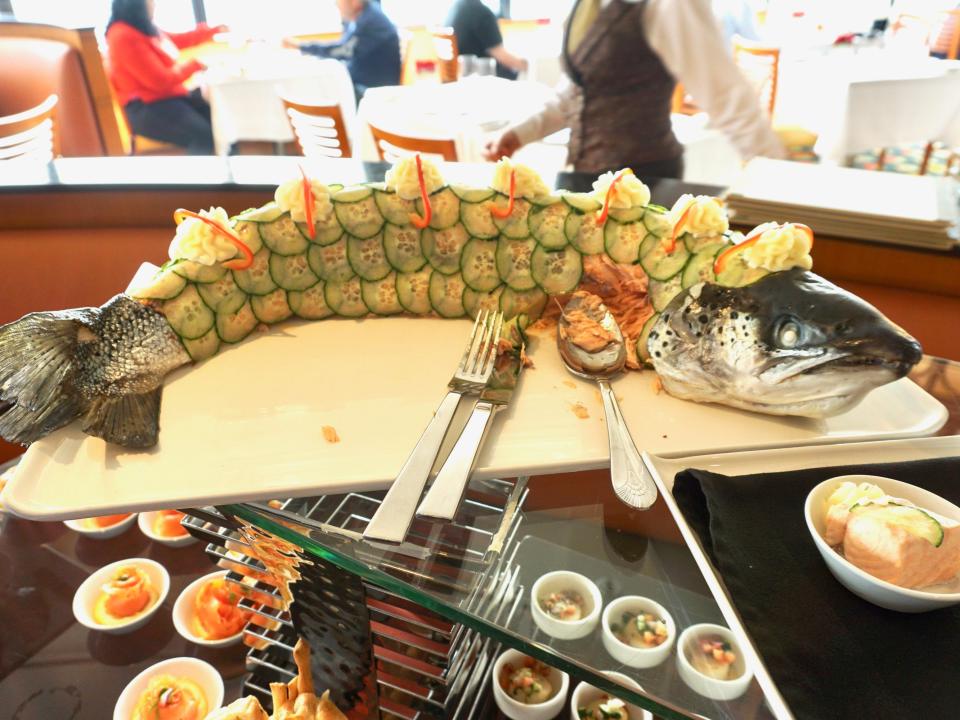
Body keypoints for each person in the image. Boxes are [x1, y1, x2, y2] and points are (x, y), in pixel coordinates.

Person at [484, 0, 784, 179]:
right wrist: (521, 132)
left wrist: (776, 191)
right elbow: (579, 87)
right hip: (587, 178)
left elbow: (726, 95)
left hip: (646, 182)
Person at [105, 0, 223, 155]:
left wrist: (214, 31)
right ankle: (200, 177)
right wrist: (197, 64)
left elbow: (177, 41)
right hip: (148, 108)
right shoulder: (122, 35)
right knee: (204, 136)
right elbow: (160, 81)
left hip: (169, 99)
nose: (154, 5)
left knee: (222, 122)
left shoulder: (143, 28)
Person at [300, 0, 401, 101]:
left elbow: (343, 50)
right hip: (361, 82)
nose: (336, 4)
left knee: (317, 88)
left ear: (355, 1)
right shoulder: (361, 15)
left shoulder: (370, 21)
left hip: (370, 89)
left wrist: (303, 47)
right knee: (321, 81)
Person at [445, 0, 528, 79]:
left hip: (460, 73)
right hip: (483, 76)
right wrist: (528, 65)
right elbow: (503, 57)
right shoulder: (481, 13)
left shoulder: (455, 7)